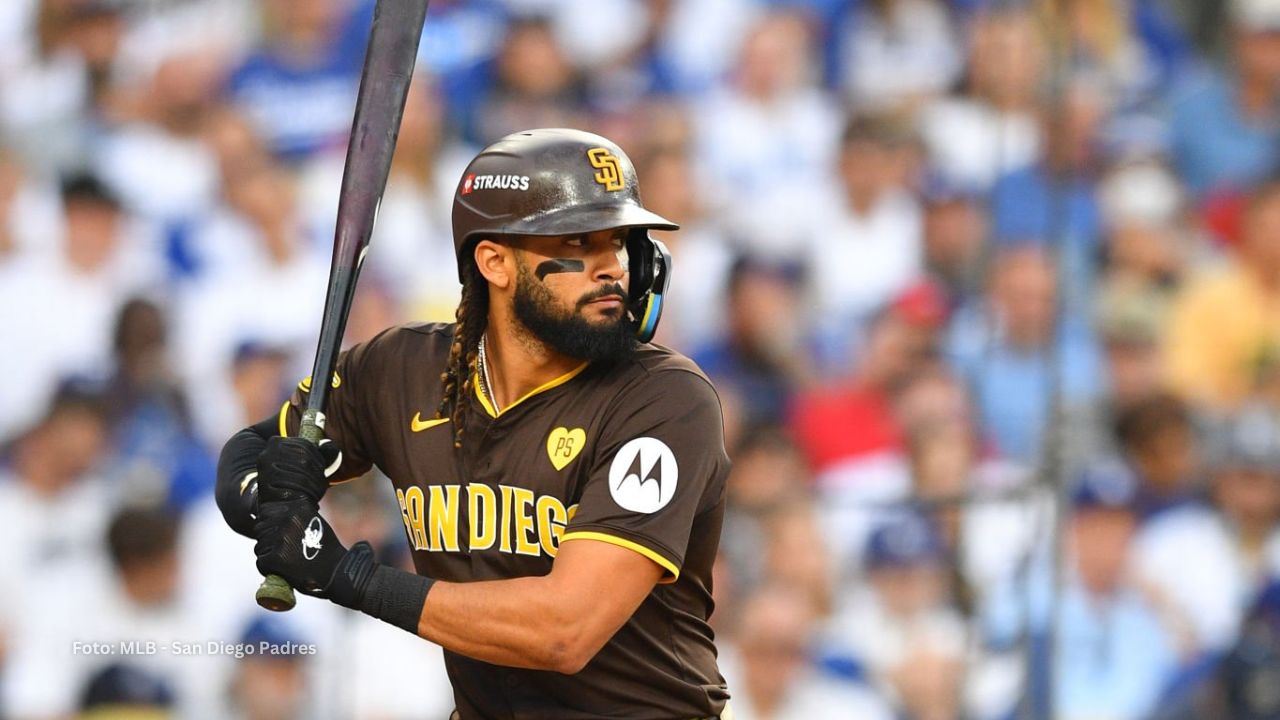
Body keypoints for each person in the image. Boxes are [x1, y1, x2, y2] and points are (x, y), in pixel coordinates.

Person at [216, 128, 732, 719]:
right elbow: (258, 448)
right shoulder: (400, 371)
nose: (612, 268)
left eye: (618, 244)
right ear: (494, 262)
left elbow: (565, 629)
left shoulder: (664, 399)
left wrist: (346, 577)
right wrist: (271, 500)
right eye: (579, 243)